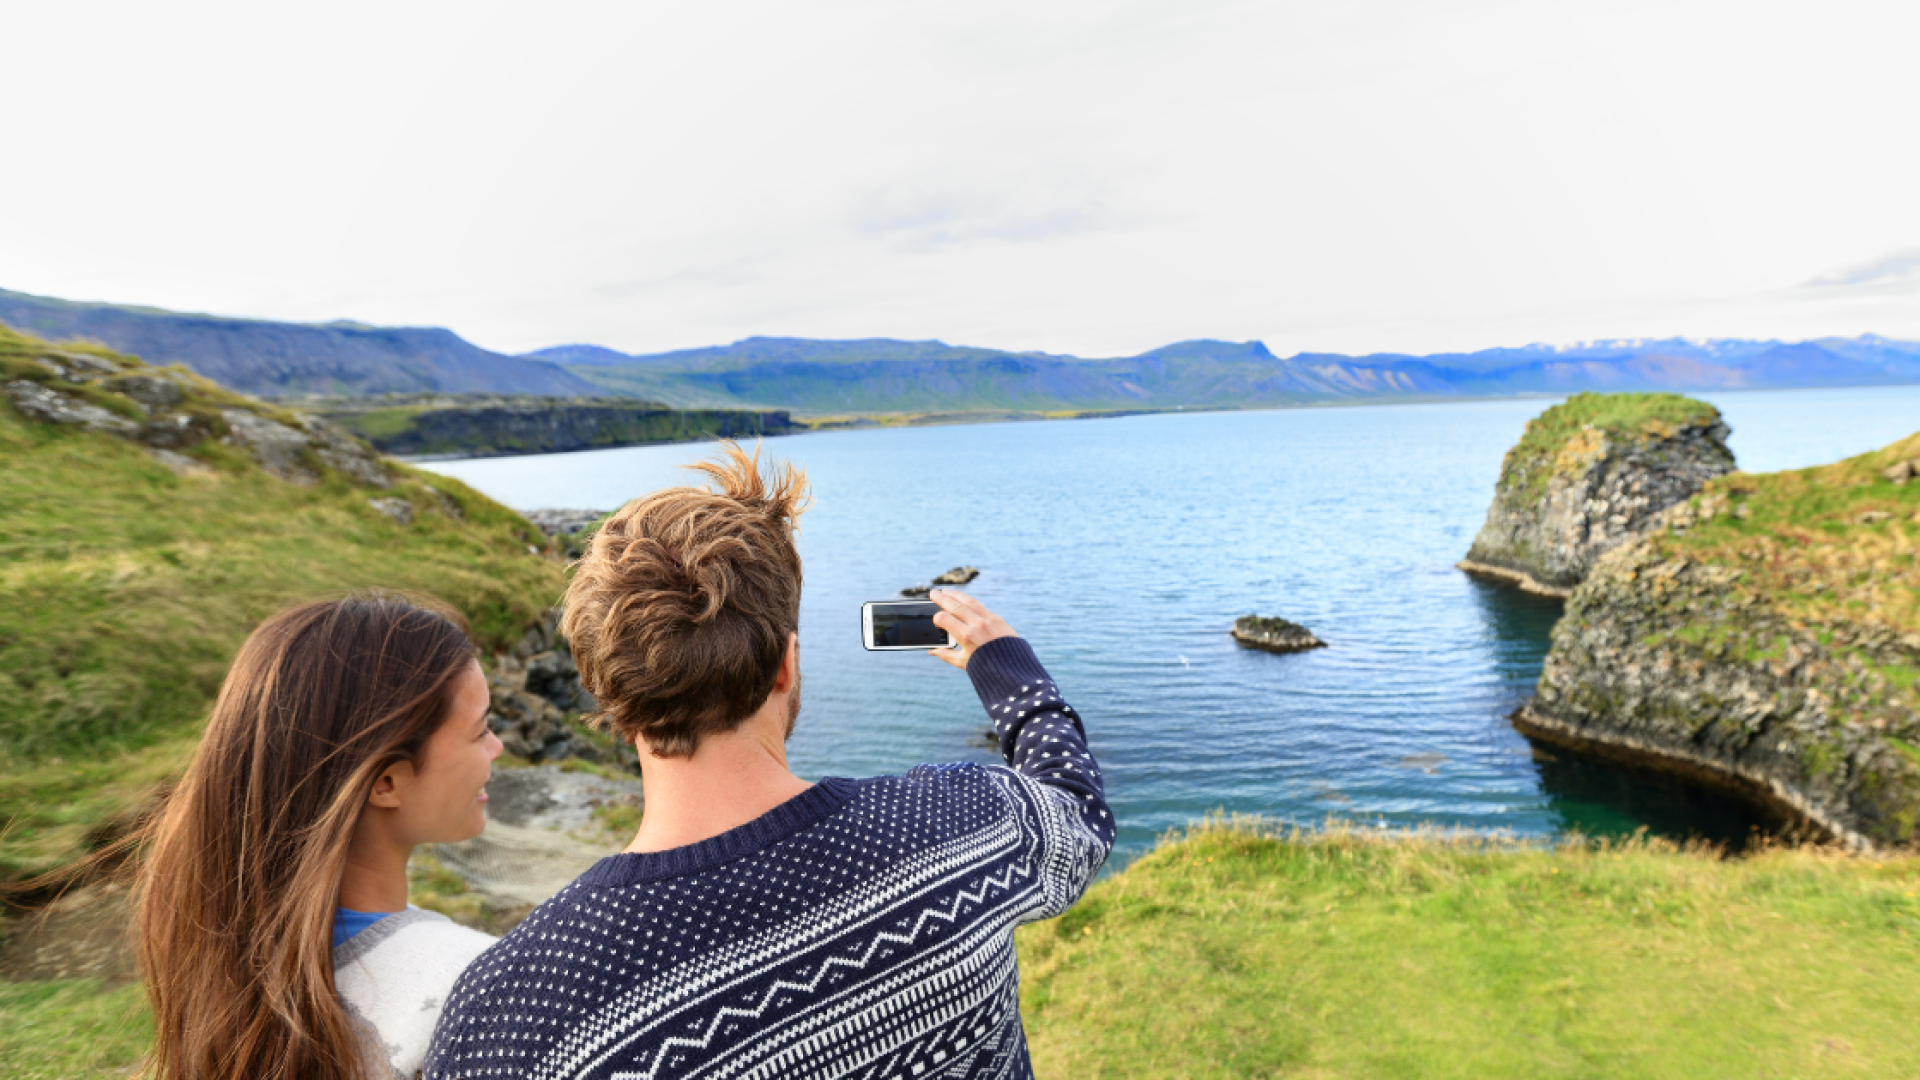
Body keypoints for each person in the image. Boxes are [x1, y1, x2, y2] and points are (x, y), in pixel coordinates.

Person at [424, 443, 1114, 1080]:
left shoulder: (504, 1016)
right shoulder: (965, 825)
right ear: (785, 666)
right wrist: (1008, 669)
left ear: (604, 688)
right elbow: (1076, 811)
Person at [136, 593, 502, 1080]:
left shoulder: (217, 947)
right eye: (480, 732)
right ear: (386, 781)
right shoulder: (471, 980)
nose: (496, 748)